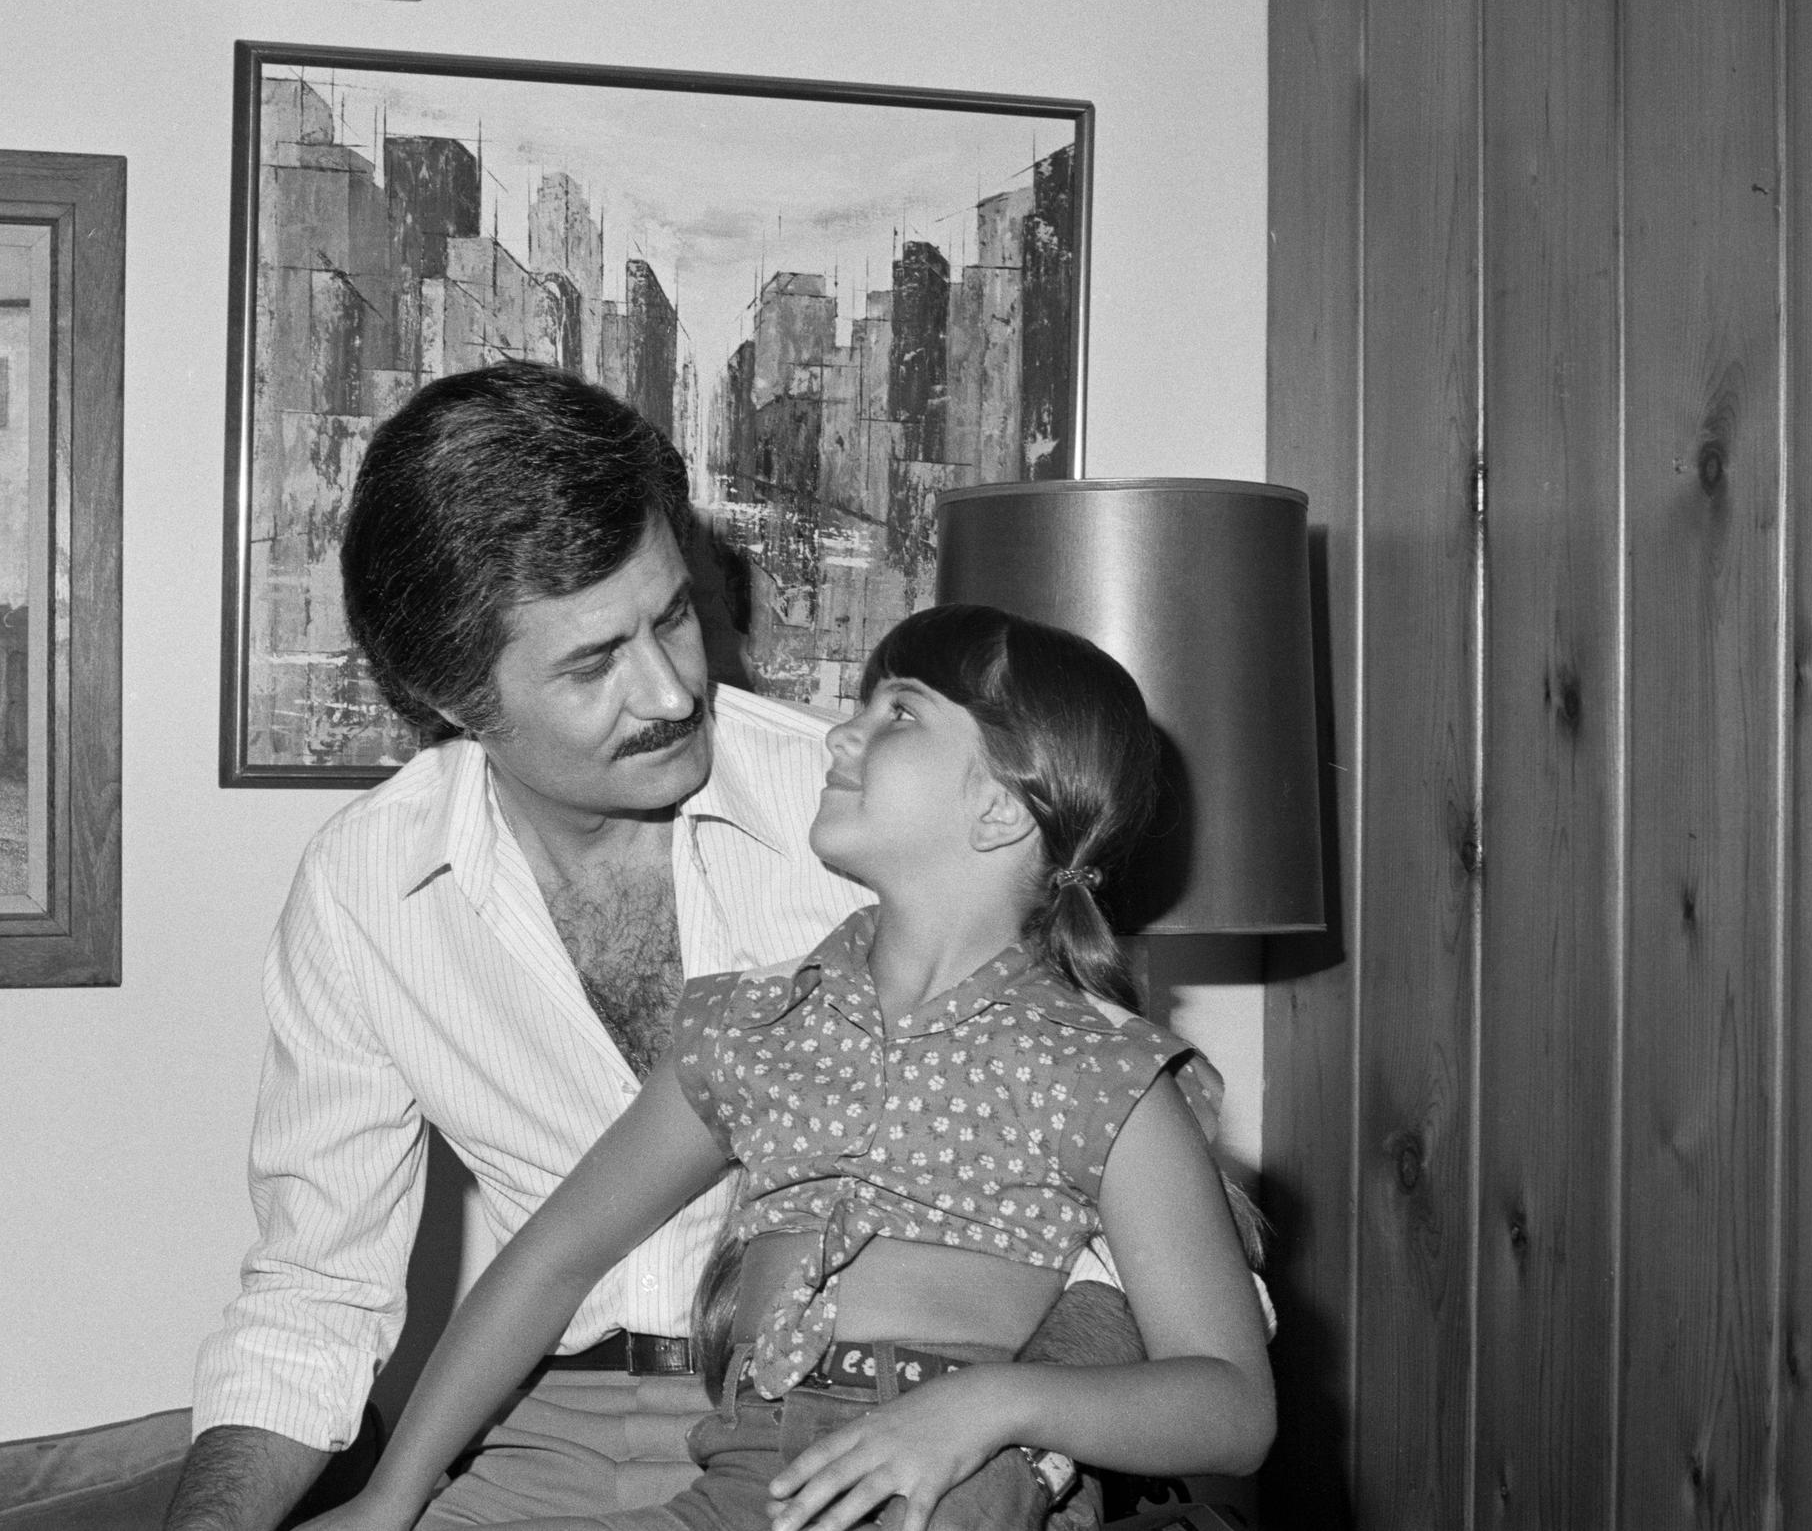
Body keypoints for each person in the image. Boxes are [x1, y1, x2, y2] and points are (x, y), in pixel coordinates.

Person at [167, 364, 1138, 1531]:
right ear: (453, 698)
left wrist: (1015, 1453)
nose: (677, 689)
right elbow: (316, 1292)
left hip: (876, 1425)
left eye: (673, 613)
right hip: (542, 1433)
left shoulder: (871, 817)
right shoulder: (361, 890)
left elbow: (1117, 1239)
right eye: (592, 662)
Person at [294, 603, 1276, 1531]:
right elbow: (555, 1257)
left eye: (898, 714)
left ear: (1002, 806)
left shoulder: (1098, 1067)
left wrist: (998, 1409)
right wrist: (390, 1499)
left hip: (947, 1489)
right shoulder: (759, 1021)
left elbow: (1231, 1400)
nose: (839, 738)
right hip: (748, 1491)